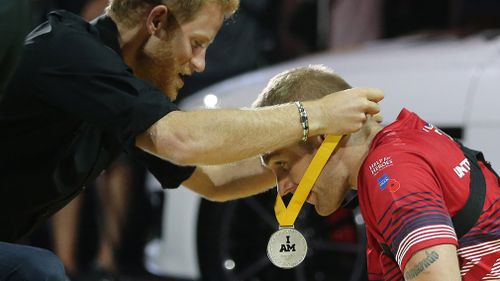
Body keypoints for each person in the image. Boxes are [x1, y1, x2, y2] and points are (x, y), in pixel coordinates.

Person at [0, 0, 383, 279]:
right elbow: (182, 139)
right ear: (158, 21)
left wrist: (304, 158)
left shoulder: (124, 87)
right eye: (197, 43)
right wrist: (315, 114)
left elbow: (214, 180)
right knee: (39, 271)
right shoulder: (68, 51)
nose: (199, 64)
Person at [255, 65, 500, 280]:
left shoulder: (389, 170)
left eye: (283, 165)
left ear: (322, 136)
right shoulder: (410, 140)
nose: (283, 187)